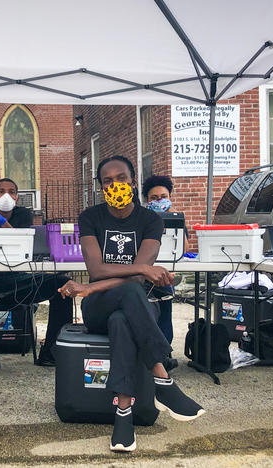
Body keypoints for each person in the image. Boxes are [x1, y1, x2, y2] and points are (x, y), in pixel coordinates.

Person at [59, 156, 204, 453]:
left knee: (122, 321)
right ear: (101, 187)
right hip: (98, 306)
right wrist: (124, 276)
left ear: (133, 181)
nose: (115, 185)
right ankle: (163, 379)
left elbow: (138, 277)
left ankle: (123, 416)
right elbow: (98, 268)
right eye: (108, 181)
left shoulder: (150, 220)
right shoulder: (91, 217)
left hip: (132, 304)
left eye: (121, 178)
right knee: (129, 296)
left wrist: (88, 287)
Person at [0, 178, 72, 376]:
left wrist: (0, 221)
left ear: (17, 196)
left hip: (19, 282)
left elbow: (21, 242)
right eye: (0, 191)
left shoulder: (22, 214)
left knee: (63, 285)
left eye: (11, 191)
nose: (6, 195)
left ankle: (50, 352)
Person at [141, 174, 187, 347]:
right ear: (147, 200)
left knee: (165, 312)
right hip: (145, 275)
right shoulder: (142, 219)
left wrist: (173, 221)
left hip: (166, 274)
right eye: (154, 198)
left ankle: (165, 350)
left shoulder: (176, 218)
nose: (159, 200)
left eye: (163, 197)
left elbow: (185, 248)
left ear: (170, 198)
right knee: (146, 314)